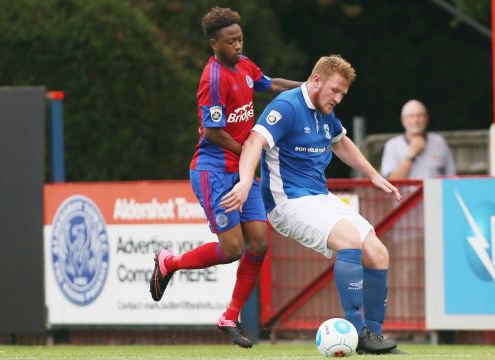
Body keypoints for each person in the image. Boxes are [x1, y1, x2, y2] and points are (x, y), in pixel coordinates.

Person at [221, 55, 403, 355]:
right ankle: (359, 333)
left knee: (378, 253)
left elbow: (341, 141)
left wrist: (373, 175)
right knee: (348, 239)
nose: (338, 98)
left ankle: (376, 338)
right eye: (335, 90)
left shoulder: (325, 111)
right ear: (316, 80)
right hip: (287, 201)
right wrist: (244, 181)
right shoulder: (287, 106)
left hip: (319, 196)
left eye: (343, 93)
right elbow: (254, 142)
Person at [148, 7, 301, 349]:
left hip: (240, 171)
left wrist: (307, 91)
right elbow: (214, 132)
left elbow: (271, 84)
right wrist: (247, 152)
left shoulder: (244, 65)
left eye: (240, 39)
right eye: (230, 41)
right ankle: (169, 262)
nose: (237, 45)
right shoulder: (212, 79)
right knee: (233, 249)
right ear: (214, 44)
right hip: (213, 170)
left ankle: (229, 317)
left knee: (259, 243)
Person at [381, 99, 456, 179]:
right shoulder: (392, 146)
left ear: (427, 119)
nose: (416, 120)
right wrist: (410, 156)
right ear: (403, 120)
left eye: (420, 115)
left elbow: (451, 178)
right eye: (411, 116)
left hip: (434, 192)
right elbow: (390, 183)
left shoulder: (439, 142)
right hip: (405, 192)